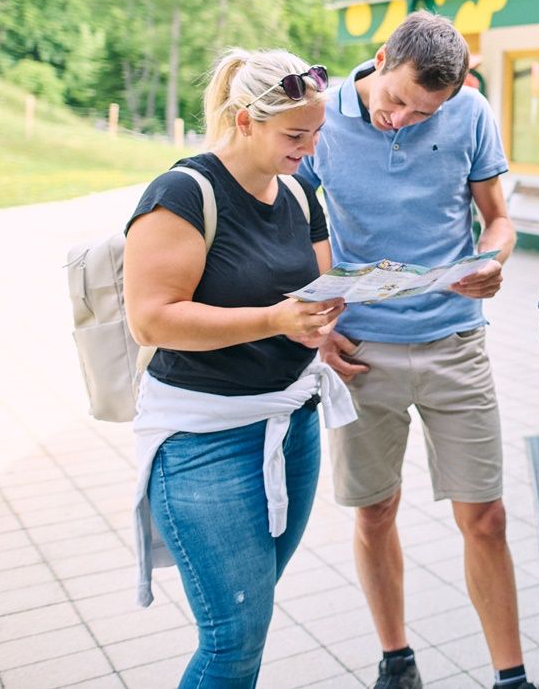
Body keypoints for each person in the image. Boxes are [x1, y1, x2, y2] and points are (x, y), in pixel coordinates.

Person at [295, 12, 530, 689]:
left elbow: (498, 218)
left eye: (424, 112)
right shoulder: (320, 119)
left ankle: (512, 677)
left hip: (455, 341)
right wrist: (317, 330)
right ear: (379, 59)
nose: (401, 119)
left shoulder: (470, 113)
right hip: (360, 348)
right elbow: (293, 224)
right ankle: (396, 660)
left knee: (485, 516)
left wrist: (492, 258)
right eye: (396, 100)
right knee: (375, 511)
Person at [124, 49, 352, 689]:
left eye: (317, 133)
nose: (309, 149)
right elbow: (152, 321)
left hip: (292, 426)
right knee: (233, 638)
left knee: (250, 622)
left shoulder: (300, 192)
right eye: (295, 135)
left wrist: (331, 311)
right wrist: (275, 320)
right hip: (204, 440)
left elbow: (316, 288)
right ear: (246, 119)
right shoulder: (182, 193)